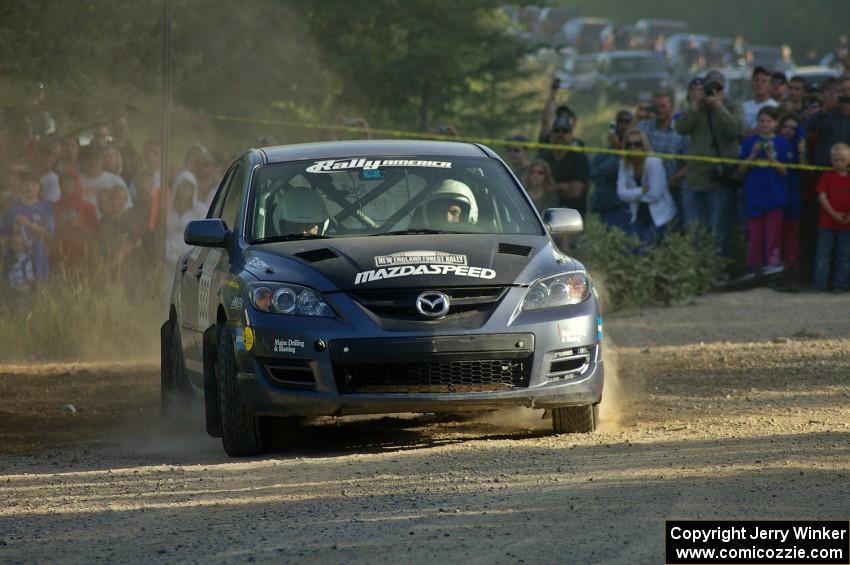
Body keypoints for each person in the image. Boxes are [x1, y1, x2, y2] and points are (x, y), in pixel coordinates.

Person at [675, 70, 745, 256]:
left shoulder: (732, 106)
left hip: (720, 180)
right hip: (695, 179)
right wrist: (695, 105)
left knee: (718, 230)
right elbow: (681, 128)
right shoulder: (697, 108)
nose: (714, 91)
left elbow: (736, 130)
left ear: (724, 90)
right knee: (694, 230)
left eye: (718, 88)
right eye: (710, 87)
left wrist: (719, 107)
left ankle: (717, 270)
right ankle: (697, 269)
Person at [737, 107, 790, 270]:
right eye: (762, 121)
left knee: (772, 235)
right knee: (755, 235)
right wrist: (752, 155)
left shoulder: (782, 143)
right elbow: (740, 170)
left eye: (769, 121)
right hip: (755, 195)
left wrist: (771, 157)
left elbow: (785, 171)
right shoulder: (749, 142)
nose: (765, 124)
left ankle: (772, 267)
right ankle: (753, 266)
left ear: (775, 123)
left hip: (775, 196)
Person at [616, 129, 676, 244]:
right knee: (631, 246)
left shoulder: (654, 163)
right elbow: (620, 194)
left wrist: (631, 193)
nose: (633, 147)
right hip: (638, 214)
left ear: (644, 145)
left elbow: (655, 195)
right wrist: (641, 191)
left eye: (637, 144)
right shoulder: (624, 164)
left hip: (660, 215)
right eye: (629, 144)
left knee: (647, 247)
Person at [638, 91, 688, 218]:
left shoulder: (681, 130)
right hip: (647, 190)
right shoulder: (643, 126)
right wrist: (638, 115)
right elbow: (628, 142)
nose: (659, 110)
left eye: (663, 106)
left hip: (673, 189)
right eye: (656, 107)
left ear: (672, 107)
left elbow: (691, 163)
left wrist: (675, 179)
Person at [812, 143, 850, 291]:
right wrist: (834, 214)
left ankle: (840, 285)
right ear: (831, 160)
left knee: (844, 257)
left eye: (842, 159)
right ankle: (819, 285)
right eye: (835, 159)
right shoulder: (826, 176)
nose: (838, 163)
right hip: (826, 224)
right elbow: (822, 197)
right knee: (823, 256)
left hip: (846, 226)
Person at [0, 172, 54, 278]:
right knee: (15, 292)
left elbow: (49, 236)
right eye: (26, 184)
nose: (29, 187)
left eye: (33, 184)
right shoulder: (13, 209)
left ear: (39, 187)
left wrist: (29, 225)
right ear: (20, 186)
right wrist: (12, 232)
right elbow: (3, 235)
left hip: (38, 257)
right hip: (15, 260)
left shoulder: (46, 208)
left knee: (38, 291)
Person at [537, 116, 590, 218]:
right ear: (551, 134)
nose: (560, 134)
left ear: (571, 135)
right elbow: (535, 188)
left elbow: (575, 192)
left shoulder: (580, 158)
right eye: (557, 131)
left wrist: (550, 187)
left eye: (565, 131)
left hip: (572, 216)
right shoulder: (543, 156)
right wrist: (564, 186)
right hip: (543, 214)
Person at [589, 110, 632, 231]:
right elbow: (594, 174)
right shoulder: (605, 151)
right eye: (620, 121)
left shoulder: (637, 147)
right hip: (606, 207)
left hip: (625, 208)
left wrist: (619, 146)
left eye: (627, 121)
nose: (623, 125)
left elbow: (616, 170)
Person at [52, 169, 97, 274]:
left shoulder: (88, 207)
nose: (68, 187)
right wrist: (57, 226)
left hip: (82, 254)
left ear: (77, 185)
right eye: (64, 184)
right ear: (60, 186)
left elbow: (95, 235)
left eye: (71, 184)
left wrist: (79, 226)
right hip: (60, 254)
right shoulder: (53, 207)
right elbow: (46, 233)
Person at [778, 114, 804, 271]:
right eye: (785, 127)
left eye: (792, 129)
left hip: (792, 195)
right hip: (773, 194)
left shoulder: (798, 148)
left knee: (790, 234)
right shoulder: (773, 144)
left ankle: (791, 269)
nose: (787, 131)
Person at [79, 146, 129, 211]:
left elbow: (127, 208)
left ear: (102, 160)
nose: (93, 162)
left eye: (96, 158)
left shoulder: (116, 181)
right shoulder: (76, 180)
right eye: (89, 158)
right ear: (84, 161)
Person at [743, 67, 779, 132]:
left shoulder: (774, 107)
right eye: (756, 80)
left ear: (770, 85)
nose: (759, 84)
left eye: (764, 81)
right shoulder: (744, 106)